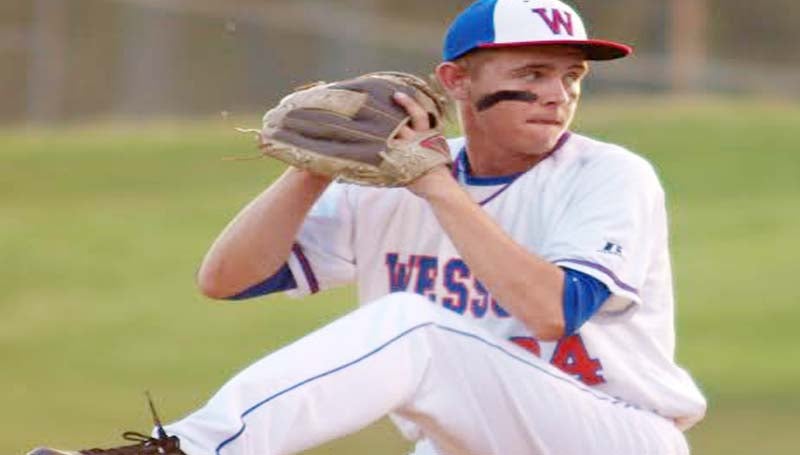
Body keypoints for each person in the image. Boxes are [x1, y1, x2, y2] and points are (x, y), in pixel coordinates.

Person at [30, 0, 706, 454]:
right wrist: (316, 167)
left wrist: (434, 185)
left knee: (415, 325)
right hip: (463, 441)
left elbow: (555, 310)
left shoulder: (607, 176)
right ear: (456, 82)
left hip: (609, 432)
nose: (558, 94)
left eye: (571, 76)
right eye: (532, 73)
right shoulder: (394, 178)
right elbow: (227, 278)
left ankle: (188, 448)